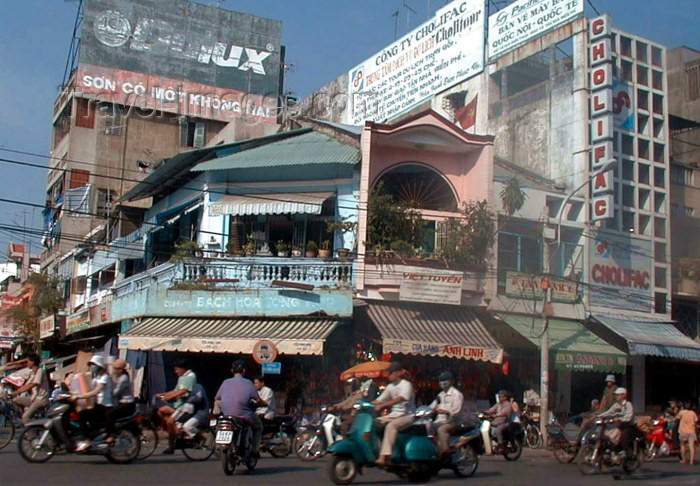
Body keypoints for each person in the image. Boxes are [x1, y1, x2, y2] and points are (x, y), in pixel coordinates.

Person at [214, 360, 263, 453]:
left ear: (232, 370)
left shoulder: (225, 382)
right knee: (258, 427)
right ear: (244, 371)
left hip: (227, 415)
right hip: (244, 415)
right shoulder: (248, 383)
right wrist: (262, 403)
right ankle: (254, 450)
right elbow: (258, 399)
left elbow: (217, 397)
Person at [372, 362, 415, 466]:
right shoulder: (390, 386)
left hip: (407, 416)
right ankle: (377, 449)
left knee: (391, 426)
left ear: (399, 373)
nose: (389, 375)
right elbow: (380, 400)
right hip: (393, 415)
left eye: (391, 372)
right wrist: (364, 403)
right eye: (389, 373)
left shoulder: (406, 385)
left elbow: (401, 398)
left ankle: (384, 456)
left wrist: (383, 405)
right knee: (375, 423)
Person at [72, 354, 114, 452]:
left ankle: (87, 441)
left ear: (99, 366)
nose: (92, 367)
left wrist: (79, 396)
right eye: (91, 364)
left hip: (105, 406)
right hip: (98, 405)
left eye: (94, 364)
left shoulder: (105, 377)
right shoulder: (96, 377)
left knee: (82, 415)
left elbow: (96, 391)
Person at [155, 358, 197, 454]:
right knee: (161, 411)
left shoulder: (191, 376)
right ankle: (174, 432)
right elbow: (176, 390)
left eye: (177, 369)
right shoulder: (181, 377)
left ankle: (171, 446)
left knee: (170, 421)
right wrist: (163, 394)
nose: (176, 371)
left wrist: (169, 397)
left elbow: (184, 391)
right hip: (177, 405)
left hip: (186, 405)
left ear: (183, 368)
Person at [429, 371, 465, 457]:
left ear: (451, 381)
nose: (443, 382)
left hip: (452, 422)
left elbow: (456, 411)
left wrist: (446, 412)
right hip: (439, 421)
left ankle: (445, 452)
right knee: (426, 427)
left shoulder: (457, 394)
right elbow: (432, 406)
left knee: (442, 430)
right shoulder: (440, 395)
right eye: (441, 380)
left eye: (445, 380)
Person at [11, 353, 50, 425]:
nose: (27, 364)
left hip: (41, 400)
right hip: (33, 398)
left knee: (25, 417)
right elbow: (27, 385)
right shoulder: (32, 373)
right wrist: (15, 392)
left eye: (28, 362)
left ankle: (31, 435)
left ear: (32, 362)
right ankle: (25, 419)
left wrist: (17, 392)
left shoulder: (40, 371)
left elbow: (33, 384)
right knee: (15, 400)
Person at [105, 359, 135, 443]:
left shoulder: (124, 378)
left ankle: (112, 434)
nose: (113, 370)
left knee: (109, 414)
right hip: (120, 402)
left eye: (115, 368)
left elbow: (115, 392)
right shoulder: (116, 376)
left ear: (121, 369)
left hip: (127, 404)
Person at [598, 387, 634, 457]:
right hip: (619, 425)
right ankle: (613, 451)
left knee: (623, 437)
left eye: (618, 395)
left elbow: (628, 416)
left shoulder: (628, 404)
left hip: (628, 426)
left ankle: (626, 453)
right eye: (616, 395)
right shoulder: (616, 405)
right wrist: (598, 416)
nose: (616, 396)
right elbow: (609, 412)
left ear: (623, 395)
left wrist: (619, 419)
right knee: (609, 436)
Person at [677, 401, 698, 465]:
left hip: (683, 431)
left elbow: (677, 418)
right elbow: (696, 421)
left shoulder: (682, 412)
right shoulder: (693, 413)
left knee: (682, 445)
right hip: (691, 431)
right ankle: (691, 461)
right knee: (691, 446)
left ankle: (684, 460)